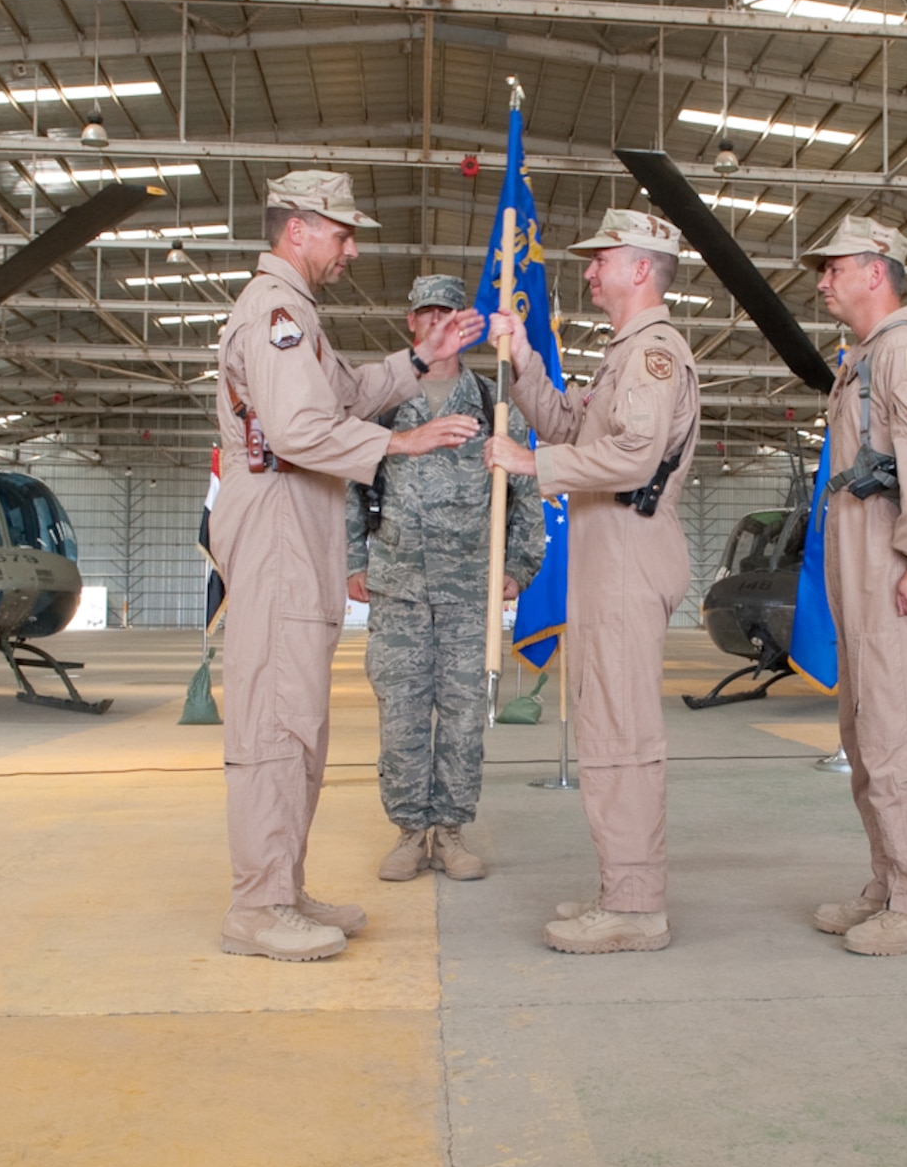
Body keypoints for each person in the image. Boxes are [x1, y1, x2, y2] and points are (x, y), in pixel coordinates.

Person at [210, 171, 482, 963]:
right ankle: (257, 906)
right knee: (273, 726)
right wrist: (398, 442)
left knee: (299, 725)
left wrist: (415, 358)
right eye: (342, 232)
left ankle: (282, 888)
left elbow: (347, 395)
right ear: (299, 229)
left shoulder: (300, 317)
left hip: (300, 532)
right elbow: (299, 429)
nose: (351, 248)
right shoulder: (277, 314)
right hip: (277, 531)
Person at [484, 208, 698, 954]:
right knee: (607, 726)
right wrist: (520, 361)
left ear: (640, 268)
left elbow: (633, 457)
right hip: (608, 551)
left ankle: (636, 906)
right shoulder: (624, 355)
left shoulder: (654, 354)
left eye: (602, 258)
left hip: (630, 549)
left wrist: (529, 465)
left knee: (624, 733)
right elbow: (574, 428)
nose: (588, 270)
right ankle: (623, 886)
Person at [345, 274, 545, 883]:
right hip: (399, 585)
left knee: (461, 717)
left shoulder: (493, 403)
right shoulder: (381, 403)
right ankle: (409, 832)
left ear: (467, 324)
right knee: (402, 715)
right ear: (412, 322)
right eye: (426, 312)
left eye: (449, 313)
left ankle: (452, 830)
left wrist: (520, 565)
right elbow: (349, 486)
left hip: (469, 588)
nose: (438, 322)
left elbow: (526, 492)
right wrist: (351, 560)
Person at [802, 215, 907, 957]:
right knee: (867, 732)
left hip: (896, 558)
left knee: (903, 733)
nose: (822, 280)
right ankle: (890, 881)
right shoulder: (863, 358)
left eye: (833, 267)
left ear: (876, 271)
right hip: (861, 557)